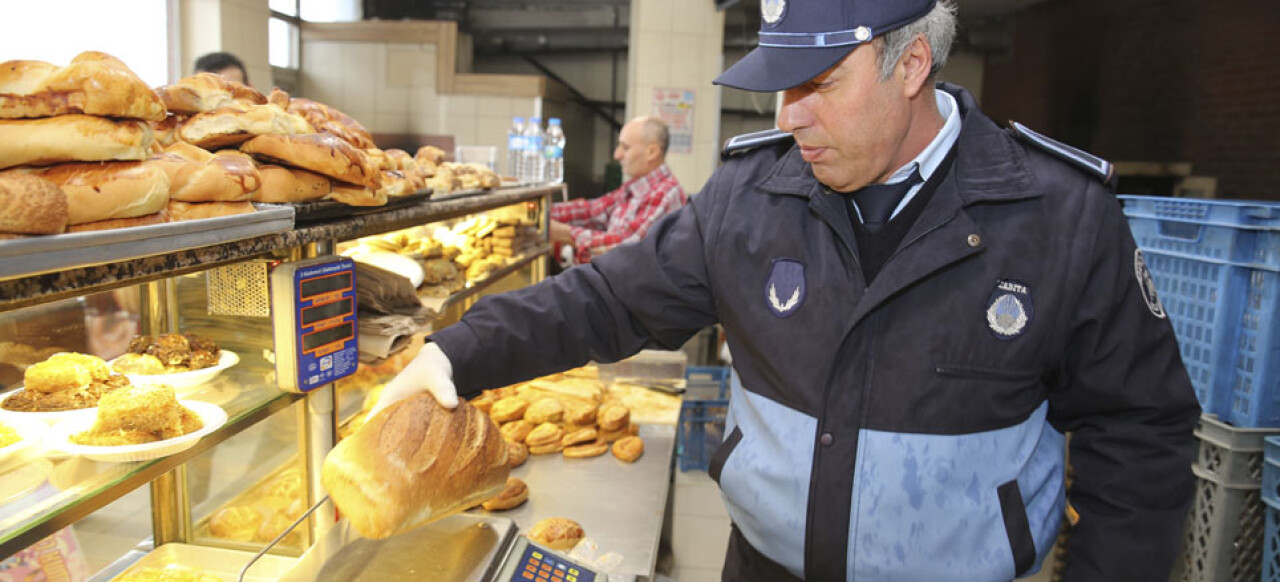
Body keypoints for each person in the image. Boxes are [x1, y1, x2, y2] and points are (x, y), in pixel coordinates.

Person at [372, 0, 1200, 579]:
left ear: (911, 64)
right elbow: (607, 299)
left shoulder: (1055, 215)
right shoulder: (752, 195)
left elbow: (1140, 429)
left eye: (821, 83)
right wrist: (454, 351)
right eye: (782, 85)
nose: (790, 114)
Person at [549, 116, 687, 266]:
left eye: (625, 147)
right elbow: (592, 210)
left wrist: (564, 233)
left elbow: (625, 248)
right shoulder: (635, 188)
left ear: (652, 152)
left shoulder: (666, 193)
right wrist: (544, 212)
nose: (617, 155)